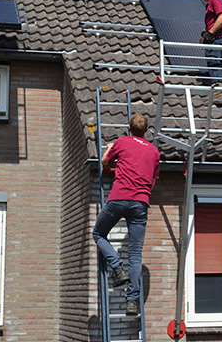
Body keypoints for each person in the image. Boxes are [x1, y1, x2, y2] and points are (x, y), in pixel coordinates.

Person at [92, 114, 160, 315]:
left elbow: (104, 161)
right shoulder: (154, 151)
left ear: (129, 129)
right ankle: (132, 301)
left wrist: (109, 148)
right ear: (147, 131)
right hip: (140, 203)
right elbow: (152, 183)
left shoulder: (121, 142)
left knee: (98, 234)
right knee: (135, 254)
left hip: (119, 198)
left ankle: (116, 267)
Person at [197, 0, 222, 96]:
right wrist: (206, 33)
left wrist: (210, 33)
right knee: (217, 65)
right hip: (219, 39)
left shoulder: (215, 0)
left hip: (217, 39)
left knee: (213, 62)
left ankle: (218, 91)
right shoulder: (210, 3)